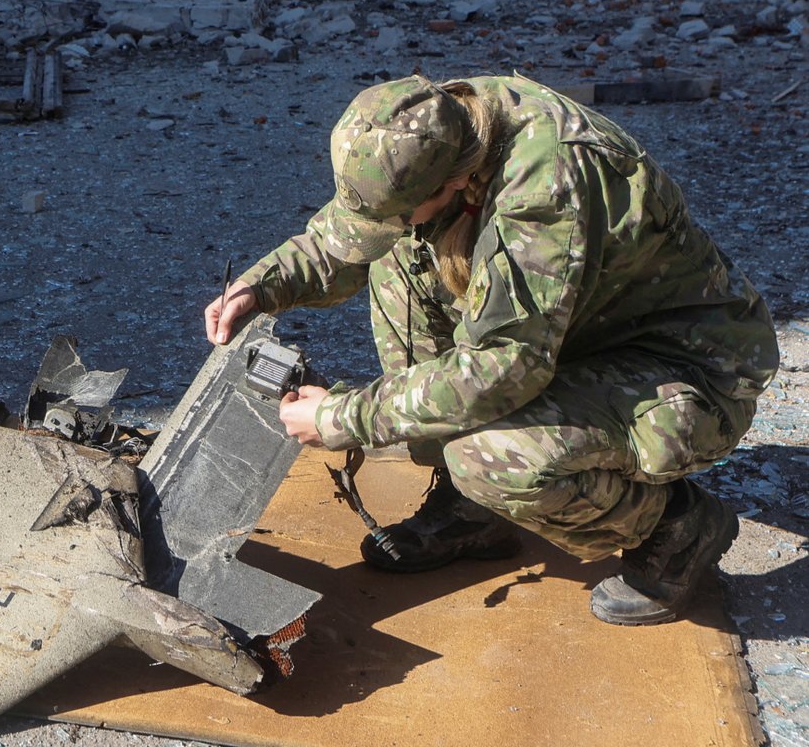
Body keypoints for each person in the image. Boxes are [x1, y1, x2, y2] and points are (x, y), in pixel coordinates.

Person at [204, 74, 779, 626]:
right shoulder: (438, 125)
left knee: (490, 456)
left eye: (409, 207)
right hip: (577, 339)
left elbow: (504, 368)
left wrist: (343, 416)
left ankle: (675, 528)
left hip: (686, 374)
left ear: (455, 183)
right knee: (400, 259)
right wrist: (262, 286)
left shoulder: (544, 189)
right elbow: (352, 233)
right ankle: (470, 509)